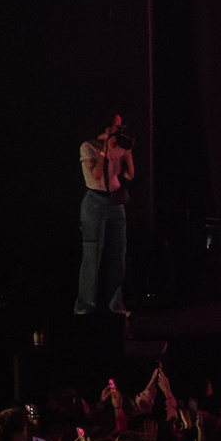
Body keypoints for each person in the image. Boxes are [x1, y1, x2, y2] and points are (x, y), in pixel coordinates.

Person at [76, 112, 134, 315]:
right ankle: (85, 307)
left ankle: (115, 304)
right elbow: (97, 175)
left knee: (119, 253)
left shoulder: (118, 147)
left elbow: (129, 175)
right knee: (92, 253)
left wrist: (127, 152)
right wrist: (105, 151)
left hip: (115, 202)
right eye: (117, 127)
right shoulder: (88, 146)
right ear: (107, 128)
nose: (120, 130)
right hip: (95, 201)